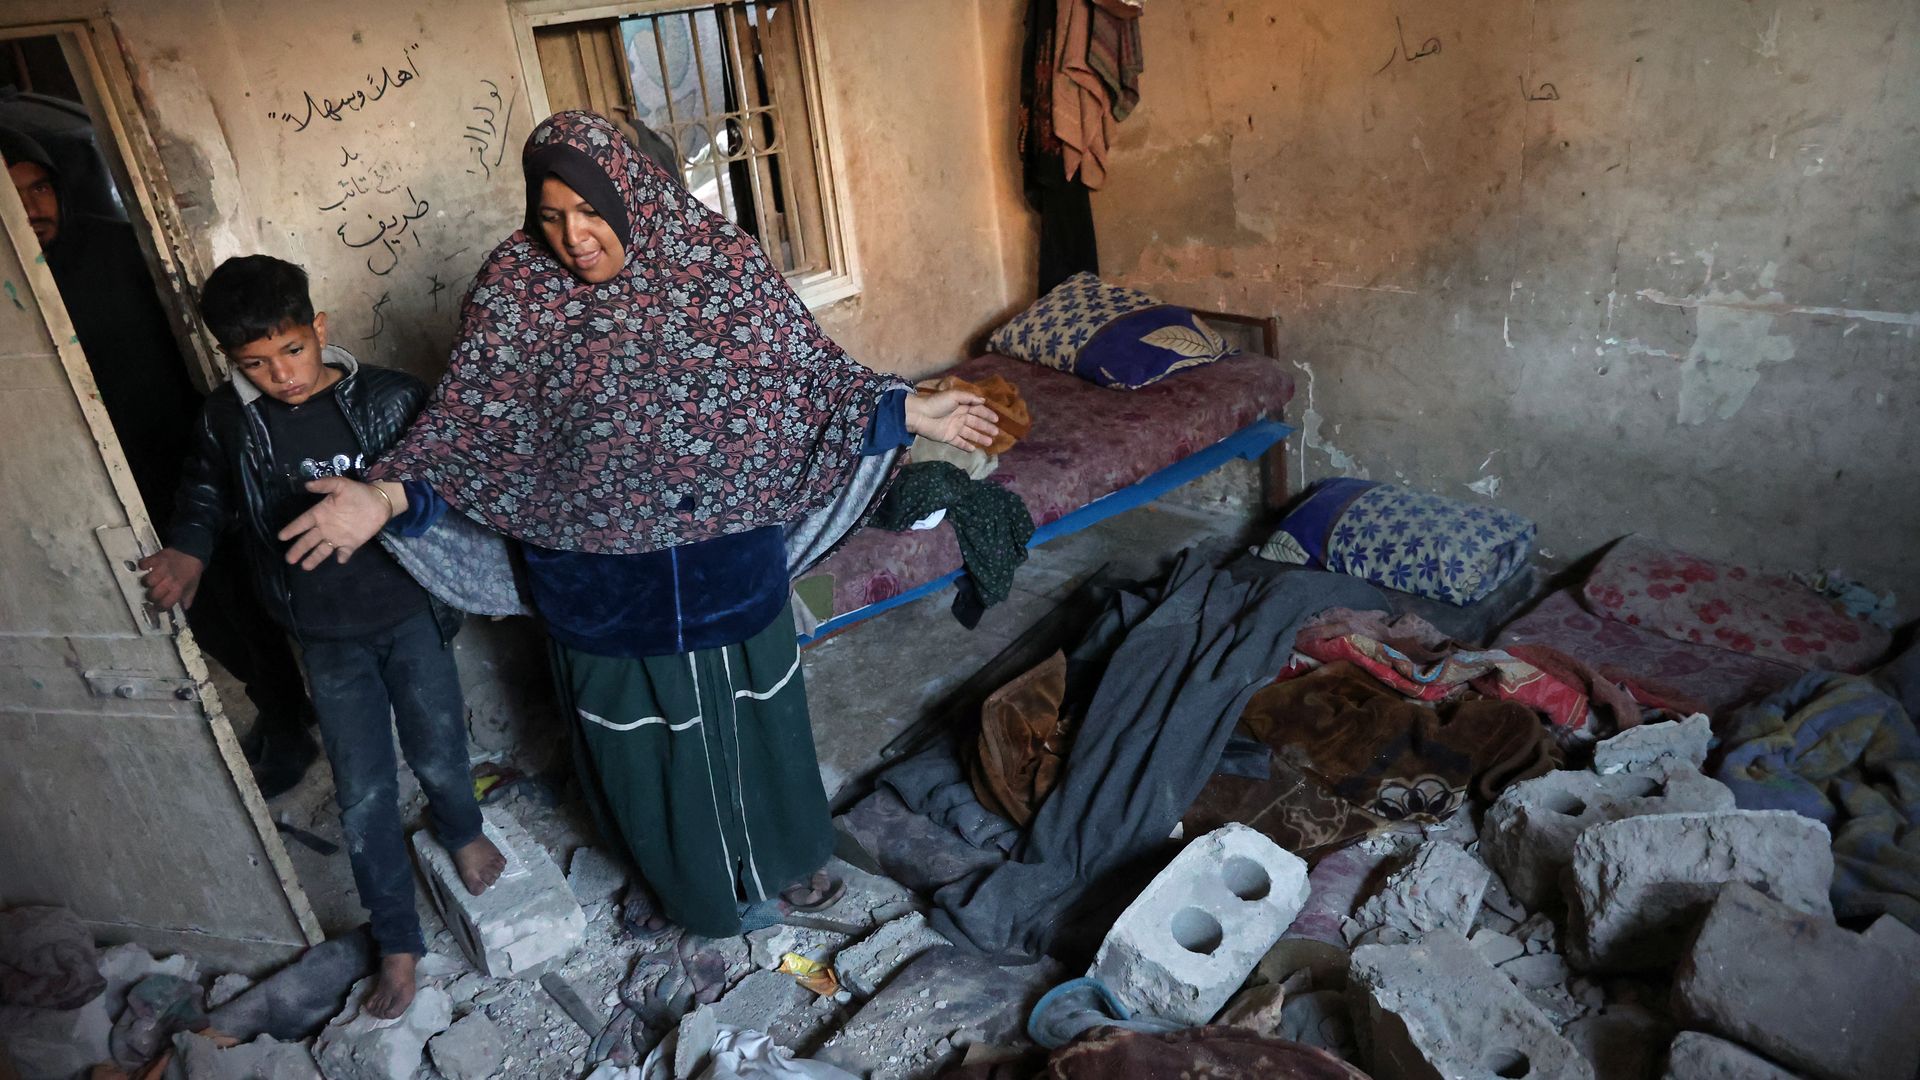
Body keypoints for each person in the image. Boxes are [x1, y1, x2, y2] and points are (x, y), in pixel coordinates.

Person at [276, 111, 999, 941]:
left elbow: (808, 383)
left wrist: (907, 409)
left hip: (727, 574)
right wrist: (384, 497)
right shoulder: (515, 291)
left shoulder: (718, 267)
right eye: (551, 216)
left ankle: (787, 860)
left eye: (590, 211)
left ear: (636, 193)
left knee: (759, 727)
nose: (573, 238)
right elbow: (469, 430)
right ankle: (696, 895)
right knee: (645, 755)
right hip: (604, 594)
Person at [136, 255, 506, 1018]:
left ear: (320, 329)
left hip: (409, 616)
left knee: (439, 744)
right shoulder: (228, 421)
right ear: (230, 361)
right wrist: (189, 550)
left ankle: (462, 827)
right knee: (362, 790)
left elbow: (447, 479)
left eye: (293, 349)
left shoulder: (389, 398)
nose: (282, 375)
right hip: (326, 638)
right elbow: (203, 491)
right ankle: (397, 940)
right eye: (256, 363)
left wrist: (385, 499)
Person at [1, 125, 319, 797]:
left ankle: (290, 718)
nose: (31, 207)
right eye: (12, 192)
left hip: (181, 455)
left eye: (40, 188)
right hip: (89, 477)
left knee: (232, 595)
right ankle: (279, 704)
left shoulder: (122, 252)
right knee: (185, 610)